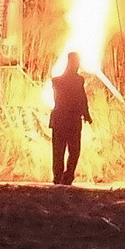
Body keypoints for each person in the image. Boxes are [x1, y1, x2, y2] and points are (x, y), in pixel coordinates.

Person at [49, 52, 92, 185]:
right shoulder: (78, 80)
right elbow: (81, 98)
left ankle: (58, 177)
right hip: (72, 119)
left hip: (58, 119)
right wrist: (86, 115)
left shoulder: (56, 81)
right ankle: (67, 176)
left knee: (58, 150)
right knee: (74, 150)